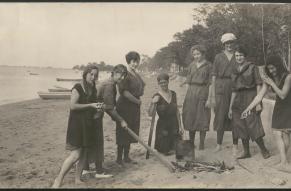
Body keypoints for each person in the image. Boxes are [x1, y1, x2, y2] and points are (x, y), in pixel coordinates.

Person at [52, 65, 101, 188]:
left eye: (95, 75)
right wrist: (91, 105)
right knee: (76, 154)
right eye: (91, 74)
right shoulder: (78, 87)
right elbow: (73, 106)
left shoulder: (93, 87)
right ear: (85, 74)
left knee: (84, 153)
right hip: (77, 125)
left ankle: (77, 179)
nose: (93, 77)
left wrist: (99, 108)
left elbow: (93, 105)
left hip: (88, 124)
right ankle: (58, 179)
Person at [242, 55, 291, 170]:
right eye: (269, 69)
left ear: (279, 66)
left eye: (273, 68)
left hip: (289, 106)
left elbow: (283, 95)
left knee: (285, 134)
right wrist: (248, 108)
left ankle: (284, 161)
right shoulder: (270, 78)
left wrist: (272, 83)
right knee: (278, 134)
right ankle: (284, 161)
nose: (272, 71)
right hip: (280, 108)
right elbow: (259, 96)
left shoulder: (288, 77)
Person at [83, 64, 129, 178]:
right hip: (94, 116)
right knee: (98, 143)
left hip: (91, 115)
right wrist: (121, 120)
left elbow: (109, 106)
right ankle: (99, 171)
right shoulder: (109, 85)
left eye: (124, 76)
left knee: (89, 142)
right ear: (114, 73)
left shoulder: (110, 83)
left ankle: (85, 168)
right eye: (120, 75)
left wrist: (117, 118)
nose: (122, 79)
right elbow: (109, 108)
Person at [228, 46, 270, 159]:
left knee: (253, 123)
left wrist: (258, 102)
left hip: (250, 96)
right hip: (238, 99)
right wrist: (230, 108)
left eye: (241, 55)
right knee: (240, 125)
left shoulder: (252, 67)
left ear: (245, 56)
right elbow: (234, 90)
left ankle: (264, 150)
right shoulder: (234, 70)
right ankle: (246, 152)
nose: (238, 57)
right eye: (236, 55)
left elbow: (258, 84)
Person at [115, 51, 146, 165]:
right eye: (133, 61)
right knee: (123, 131)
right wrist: (137, 101)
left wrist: (140, 93)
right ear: (128, 62)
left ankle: (126, 157)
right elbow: (124, 93)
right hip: (125, 105)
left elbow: (142, 85)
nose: (135, 64)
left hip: (133, 106)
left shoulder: (135, 74)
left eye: (137, 61)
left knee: (130, 131)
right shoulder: (125, 74)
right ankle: (119, 158)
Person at [180, 45, 212, 150]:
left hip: (203, 92)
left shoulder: (208, 66)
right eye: (194, 54)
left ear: (203, 54)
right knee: (190, 116)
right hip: (191, 93)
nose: (196, 56)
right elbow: (188, 81)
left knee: (203, 117)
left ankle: (202, 143)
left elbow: (211, 83)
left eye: (198, 54)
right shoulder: (191, 65)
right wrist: (186, 95)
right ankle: (191, 142)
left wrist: (209, 98)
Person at [211, 33, 238, 153]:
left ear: (234, 43)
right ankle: (219, 144)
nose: (229, 45)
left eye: (231, 43)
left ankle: (235, 144)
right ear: (224, 44)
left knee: (235, 116)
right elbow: (213, 76)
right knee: (220, 115)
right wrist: (212, 94)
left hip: (234, 86)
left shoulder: (238, 55)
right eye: (227, 43)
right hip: (221, 87)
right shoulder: (218, 57)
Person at [148, 73, 184, 155]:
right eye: (161, 83)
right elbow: (150, 114)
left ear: (168, 81)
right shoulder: (156, 96)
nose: (163, 84)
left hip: (174, 124)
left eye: (165, 82)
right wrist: (153, 103)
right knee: (165, 151)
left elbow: (177, 111)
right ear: (158, 84)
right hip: (163, 127)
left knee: (177, 150)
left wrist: (180, 126)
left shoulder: (174, 94)